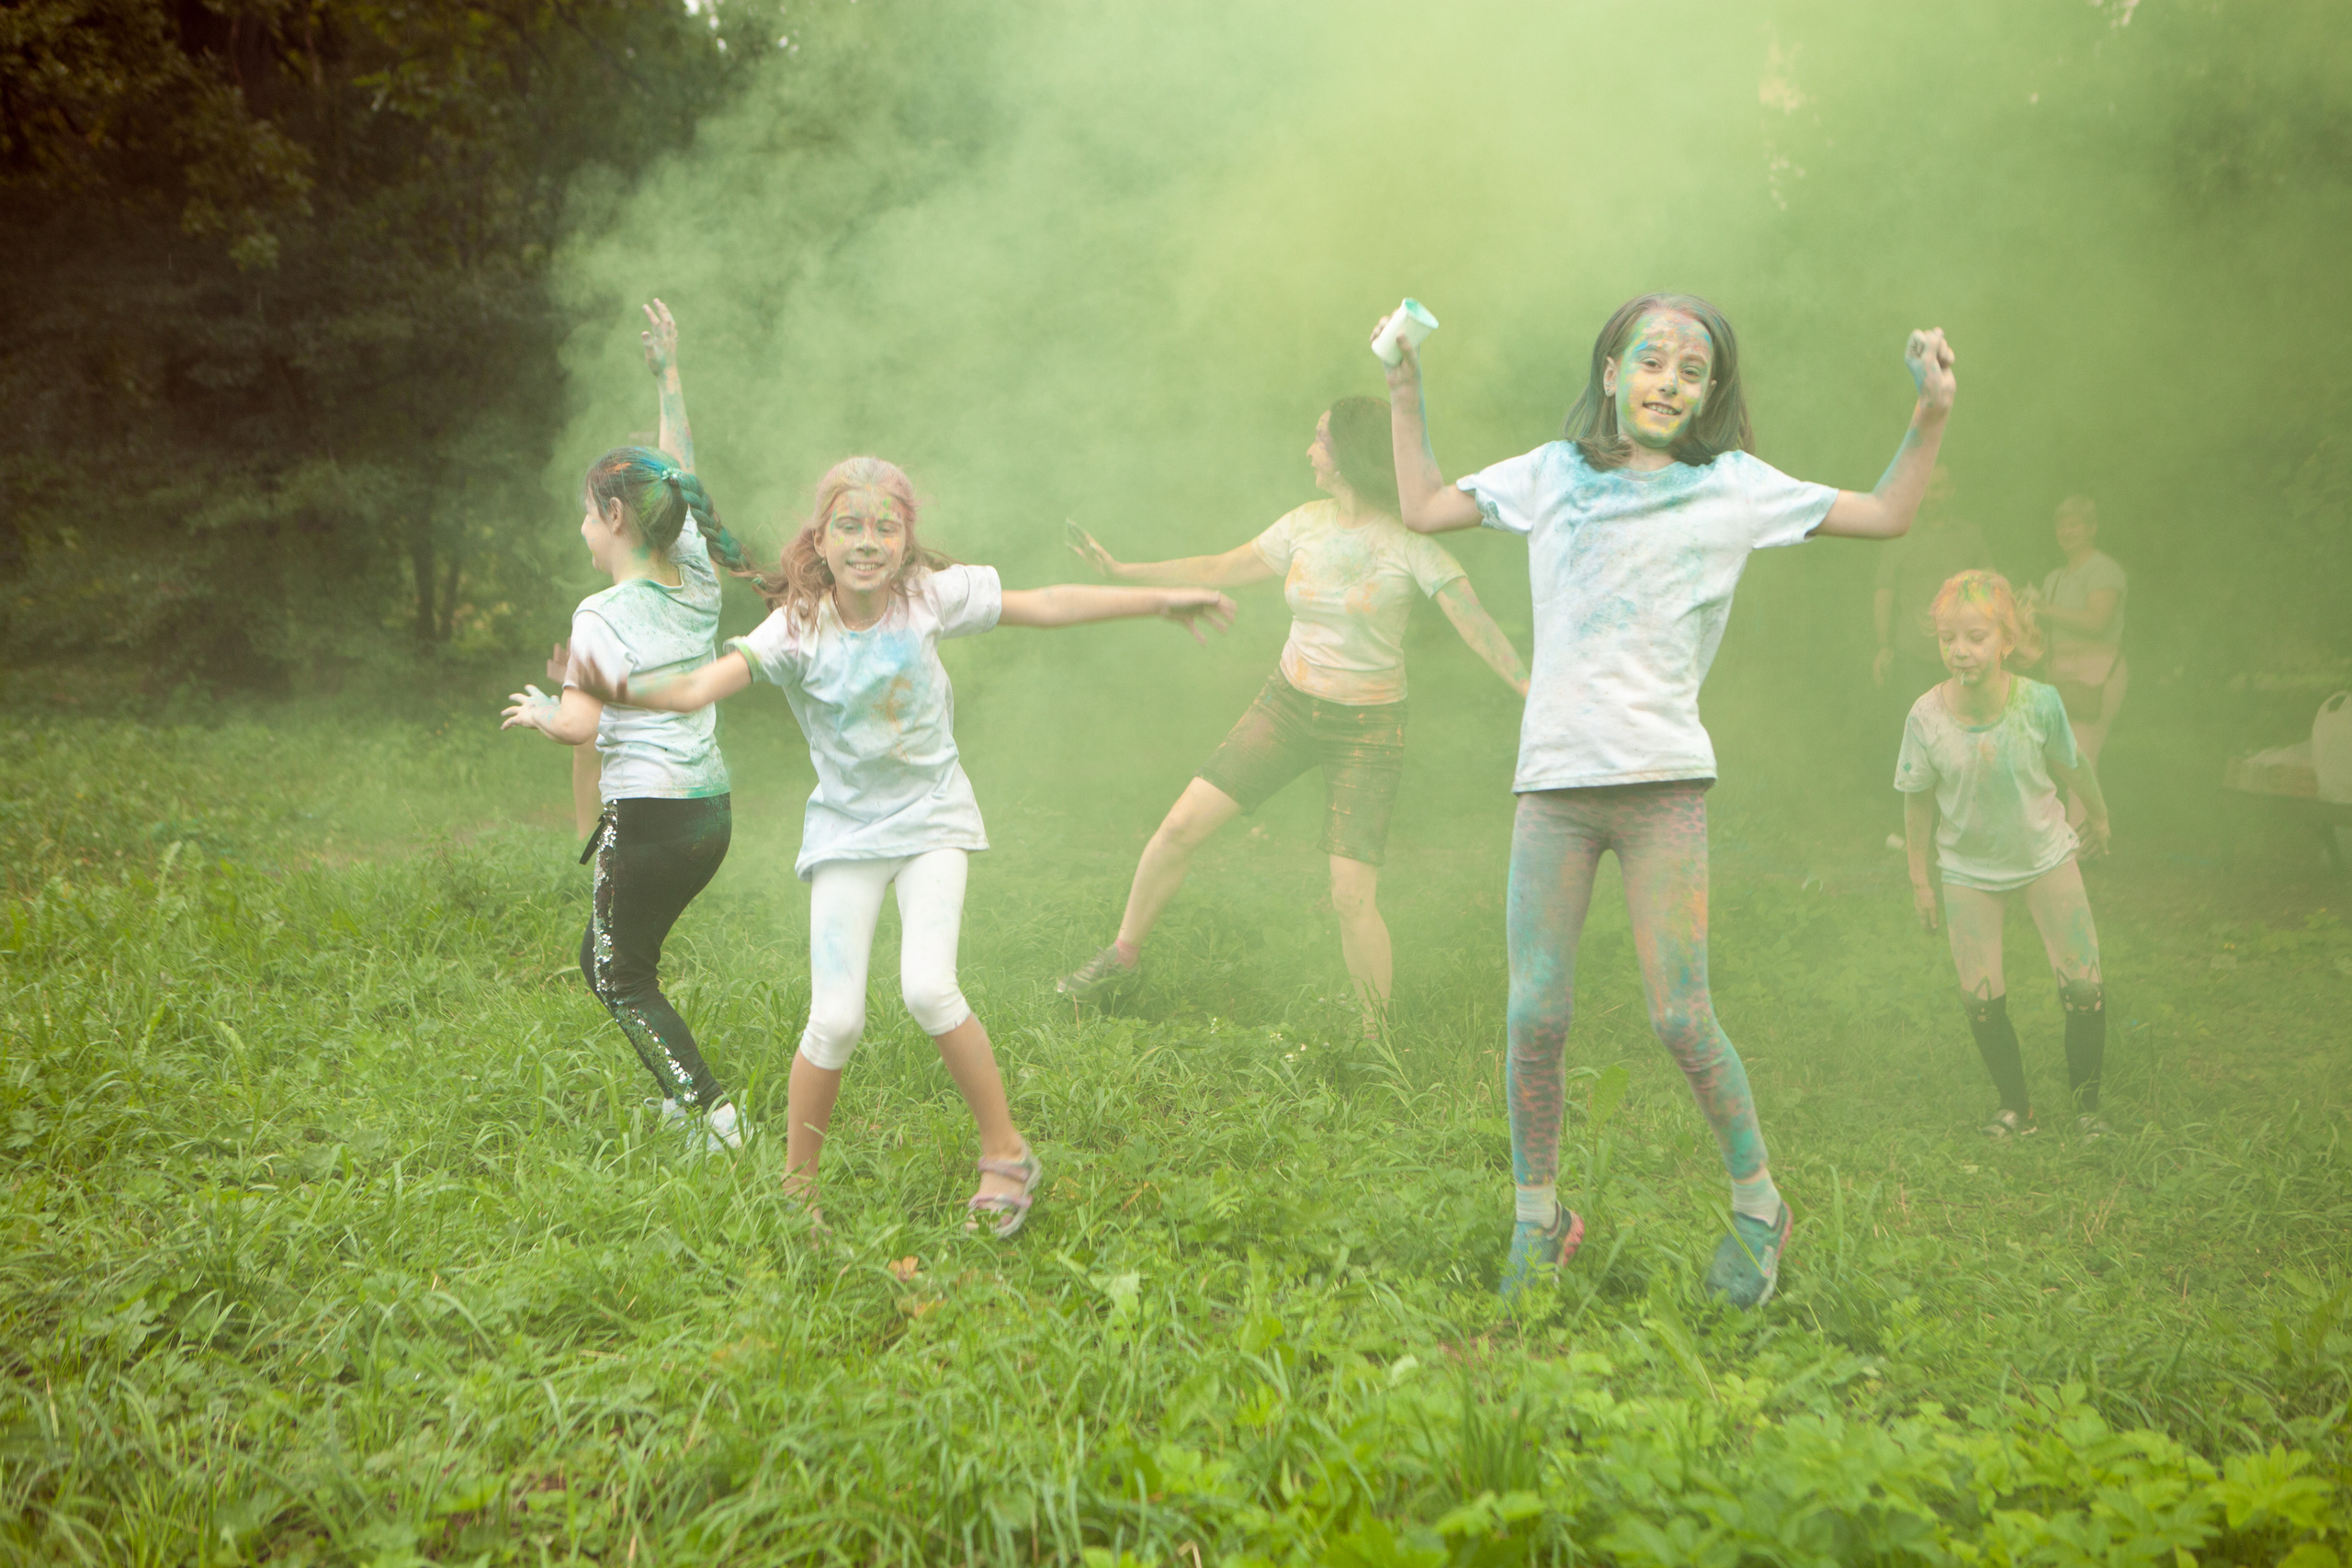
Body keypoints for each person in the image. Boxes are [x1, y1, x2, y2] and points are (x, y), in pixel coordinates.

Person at [1384, 291, 1957, 1309]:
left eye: (1691, 375)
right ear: (1609, 372)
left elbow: (1889, 516)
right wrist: (1402, 384)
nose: (1668, 383)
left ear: (1708, 397)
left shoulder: (1733, 487)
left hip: (1664, 791)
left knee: (1680, 1016)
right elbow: (1425, 507)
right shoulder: (1551, 474)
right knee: (1533, 1012)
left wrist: (1928, 416)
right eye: (1650, 362)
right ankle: (1536, 1219)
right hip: (1553, 787)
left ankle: (1759, 1205)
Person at [594, 456, 1235, 1235]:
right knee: (833, 1021)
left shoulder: (929, 596)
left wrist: (1160, 600)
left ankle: (1005, 1156)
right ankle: (799, 1194)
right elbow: (696, 688)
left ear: (906, 542)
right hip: (847, 837)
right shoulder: (796, 626)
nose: (869, 541)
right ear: (821, 542)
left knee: (929, 989)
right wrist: (618, 685)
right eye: (850, 526)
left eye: (885, 527)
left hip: (932, 825)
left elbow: (1050, 601)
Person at [1055, 396, 1529, 1032]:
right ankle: (1121, 956)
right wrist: (1123, 572)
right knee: (1178, 829)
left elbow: (1473, 622)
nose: (1309, 450)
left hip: (1368, 728)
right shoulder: (1305, 524)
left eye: (1319, 439)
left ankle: (1373, 1035)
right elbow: (1219, 567)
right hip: (1287, 706)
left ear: (1349, 456)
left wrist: (1531, 689)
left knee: (1351, 894)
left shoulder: (1409, 541)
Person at [500, 303, 762, 1156]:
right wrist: (668, 377)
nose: (580, 526)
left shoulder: (600, 612)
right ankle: (687, 1100)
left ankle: (710, 1117)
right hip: (709, 813)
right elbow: (676, 470)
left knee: (613, 970)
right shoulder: (694, 575)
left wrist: (542, 708)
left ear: (616, 516)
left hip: (647, 819)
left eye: (585, 512)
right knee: (618, 956)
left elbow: (579, 727)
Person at [1898, 570, 2111, 1140]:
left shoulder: (2040, 703)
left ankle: (2088, 1110)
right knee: (1982, 999)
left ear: (2007, 642)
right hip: (1968, 871)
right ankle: (2017, 1109)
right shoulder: (1925, 716)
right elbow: (1917, 803)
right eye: (1948, 638)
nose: (1959, 650)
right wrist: (1920, 878)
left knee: (2085, 988)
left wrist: (2101, 815)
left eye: (1975, 636)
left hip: (2047, 856)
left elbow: (2074, 766)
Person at [2028, 497, 2128, 826]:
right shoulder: (2054, 577)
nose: (2066, 531)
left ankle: (2084, 845)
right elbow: (2045, 629)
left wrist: (2044, 608)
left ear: (2091, 528)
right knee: (2058, 760)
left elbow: (2096, 622)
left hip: (2097, 675)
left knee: (2081, 757)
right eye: (2061, 525)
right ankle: (2066, 837)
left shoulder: (2104, 569)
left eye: (2074, 524)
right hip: (2060, 675)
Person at [1871, 466, 1992, 711]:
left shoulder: (1970, 535)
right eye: (1923, 489)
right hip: (1912, 652)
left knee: (1963, 726)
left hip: (1963, 653)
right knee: (1918, 726)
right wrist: (1884, 647)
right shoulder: (1900, 535)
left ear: (1950, 491)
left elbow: (1991, 592)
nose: (1929, 496)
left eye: (1936, 489)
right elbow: (1884, 593)